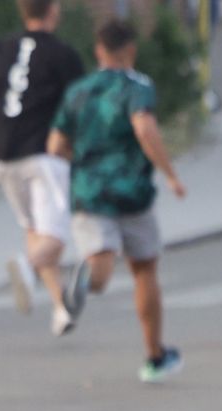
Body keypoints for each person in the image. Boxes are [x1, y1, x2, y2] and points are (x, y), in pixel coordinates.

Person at [48, 19, 186, 383]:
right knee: (144, 270)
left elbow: (56, 146)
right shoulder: (138, 86)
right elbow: (144, 127)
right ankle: (155, 356)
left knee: (101, 270)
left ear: (98, 51)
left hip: (89, 191)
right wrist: (169, 173)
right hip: (132, 192)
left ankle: (84, 279)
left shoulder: (78, 90)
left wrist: (82, 166)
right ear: (130, 51)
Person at [0, 0, 87, 337]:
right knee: (55, 238)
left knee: (34, 230)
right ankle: (26, 269)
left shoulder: (2, 47)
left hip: (4, 156)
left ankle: (61, 308)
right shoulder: (64, 55)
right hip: (45, 155)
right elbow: (81, 108)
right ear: (53, 10)